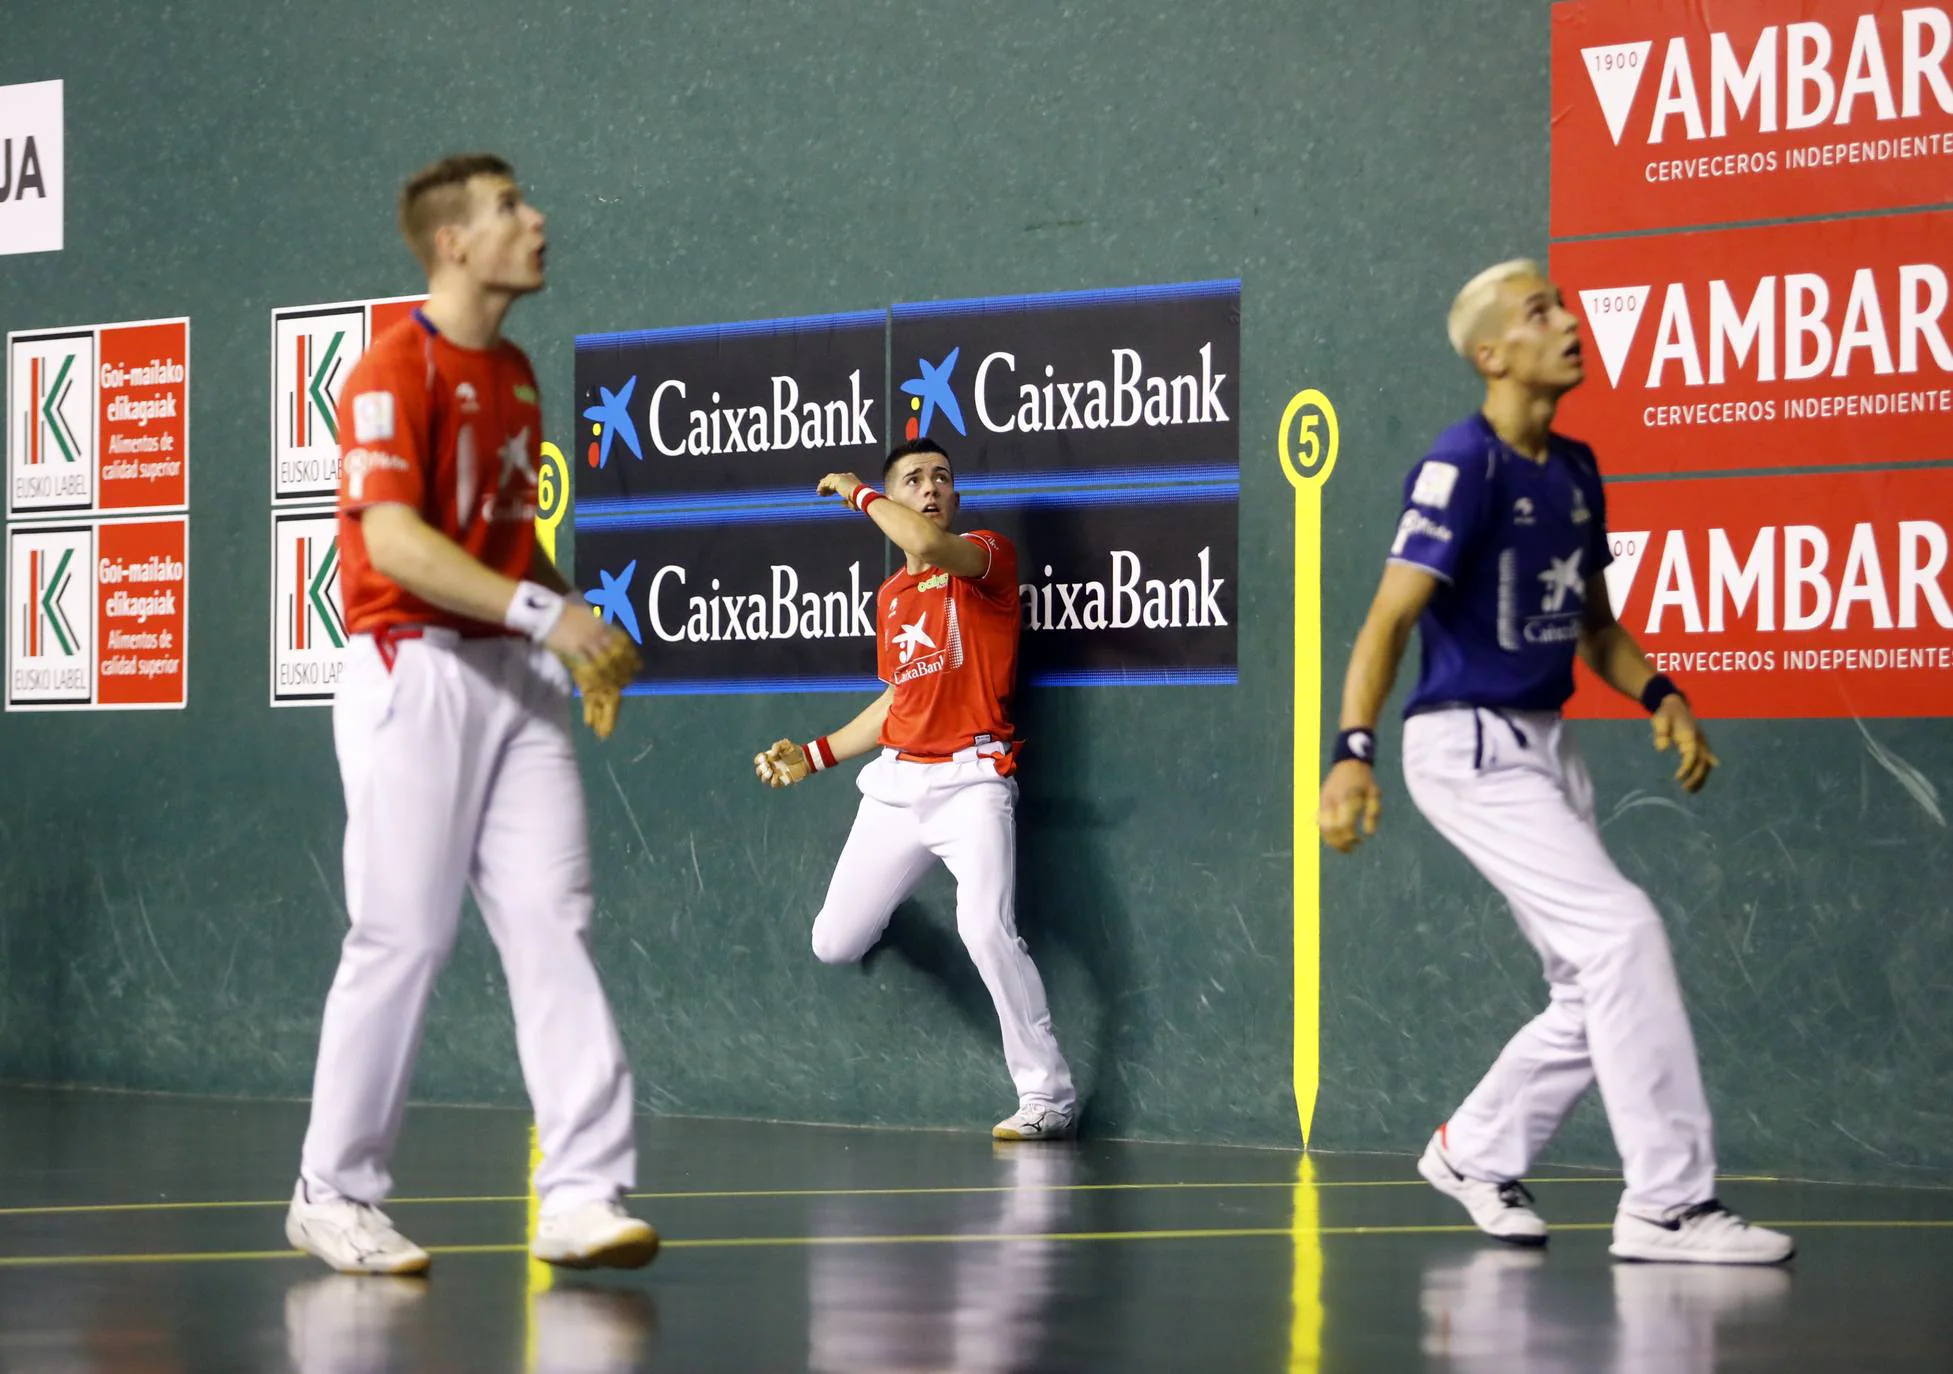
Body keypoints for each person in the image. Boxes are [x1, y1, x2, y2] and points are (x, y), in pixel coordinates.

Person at [1317, 259, 1794, 1265]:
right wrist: (1348, 753)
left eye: (1565, 305)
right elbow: (1387, 618)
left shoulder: (1574, 470)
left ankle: (1475, 1150)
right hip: (1467, 746)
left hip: (1546, 743)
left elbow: (1593, 626)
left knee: (1592, 982)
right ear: (1492, 354)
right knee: (1624, 937)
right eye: (1541, 313)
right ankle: (1668, 1204)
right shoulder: (1464, 466)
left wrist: (1662, 694)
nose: (1569, 322)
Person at [286, 153, 654, 1275]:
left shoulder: (517, 373)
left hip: (516, 678)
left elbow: (498, 536)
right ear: (451, 242)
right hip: (414, 672)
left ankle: (584, 1193)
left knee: (554, 917)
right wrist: (549, 612)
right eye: (510, 208)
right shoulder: (393, 367)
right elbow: (392, 540)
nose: (537, 219)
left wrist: (574, 627)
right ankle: (332, 1191)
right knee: (402, 934)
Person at [753, 438, 1077, 1140]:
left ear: (953, 500)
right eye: (912, 480)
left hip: (973, 785)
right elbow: (899, 700)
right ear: (896, 494)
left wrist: (856, 492)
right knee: (833, 943)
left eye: (941, 479)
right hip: (899, 785)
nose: (930, 487)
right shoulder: (893, 597)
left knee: (984, 927)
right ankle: (891, 898)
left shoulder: (985, 559)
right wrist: (814, 754)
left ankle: (1047, 1095)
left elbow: (927, 543)